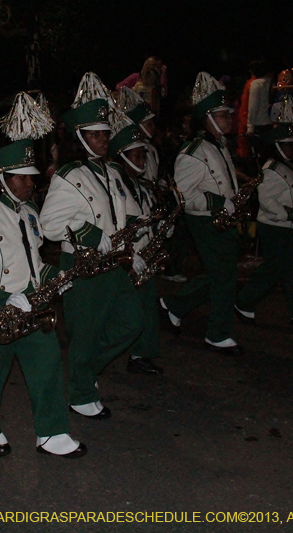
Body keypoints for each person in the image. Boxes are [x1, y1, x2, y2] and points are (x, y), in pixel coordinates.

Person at [0, 92, 86, 458]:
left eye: (32, 178)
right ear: (2, 177)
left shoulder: (28, 213)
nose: (32, 184)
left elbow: (32, 260)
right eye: (23, 178)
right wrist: (0, 298)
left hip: (30, 303)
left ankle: (53, 432)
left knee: (46, 363)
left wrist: (56, 274)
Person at [40, 72, 145, 419]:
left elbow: (127, 214)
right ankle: (79, 392)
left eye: (105, 134)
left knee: (132, 322)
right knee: (85, 334)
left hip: (114, 264)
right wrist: (93, 235)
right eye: (96, 135)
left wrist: (137, 248)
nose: (103, 140)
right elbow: (49, 225)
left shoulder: (112, 172)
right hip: (84, 267)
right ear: (81, 137)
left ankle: (84, 371)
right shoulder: (69, 176)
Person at [159, 72, 243, 354]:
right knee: (223, 276)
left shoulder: (218, 146)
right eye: (222, 114)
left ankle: (174, 304)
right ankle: (217, 333)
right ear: (207, 117)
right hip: (206, 221)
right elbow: (182, 196)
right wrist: (217, 202)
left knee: (223, 274)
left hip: (222, 219)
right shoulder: (193, 151)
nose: (228, 119)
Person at [234, 125, 293, 327]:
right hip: (277, 227)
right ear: (278, 147)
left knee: (292, 268)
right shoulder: (271, 170)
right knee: (276, 269)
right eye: (288, 145)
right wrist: (291, 214)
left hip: (289, 225)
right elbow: (267, 201)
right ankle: (246, 300)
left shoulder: (288, 166)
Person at [109, 111, 164, 374]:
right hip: (124, 255)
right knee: (119, 311)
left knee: (147, 304)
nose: (143, 160)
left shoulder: (141, 185)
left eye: (143, 154)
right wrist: (130, 252)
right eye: (137, 156)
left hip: (144, 253)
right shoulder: (114, 184)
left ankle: (142, 353)